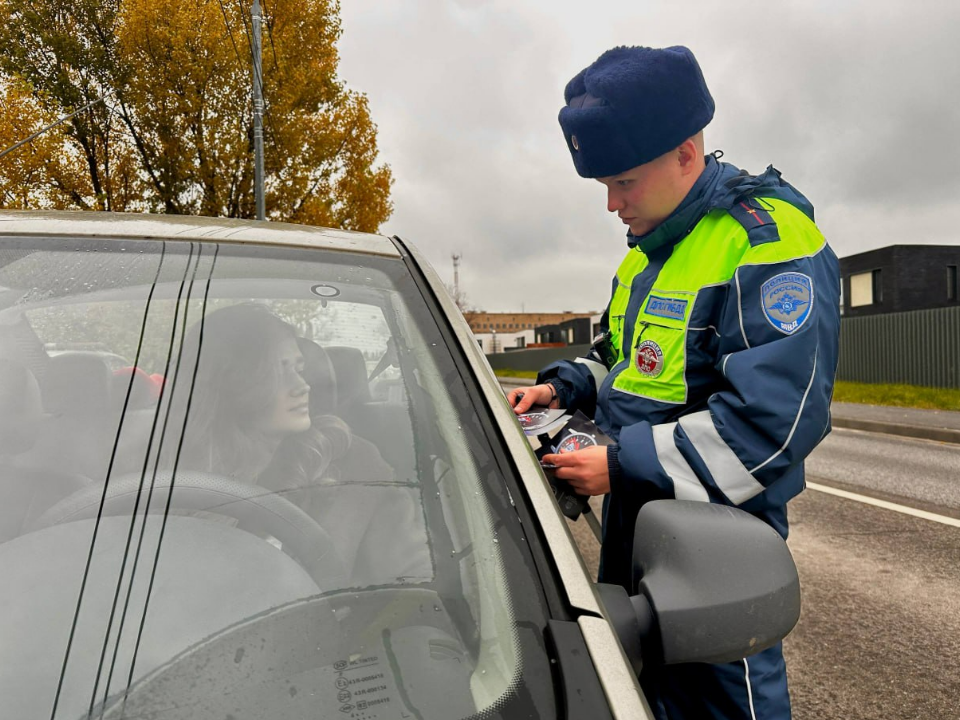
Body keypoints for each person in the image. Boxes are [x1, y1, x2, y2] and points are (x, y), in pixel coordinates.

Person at [508, 46, 840, 720]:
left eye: (623, 181)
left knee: (725, 704)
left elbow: (769, 428)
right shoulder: (645, 259)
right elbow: (625, 368)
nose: (611, 204)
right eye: (603, 185)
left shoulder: (768, 241)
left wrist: (622, 465)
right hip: (638, 525)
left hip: (720, 547)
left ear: (686, 153)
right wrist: (567, 387)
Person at [174, 303, 432, 589]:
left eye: (299, 369)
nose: (303, 385)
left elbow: (413, 588)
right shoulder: (164, 467)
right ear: (233, 381)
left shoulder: (354, 467)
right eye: (280, 371)